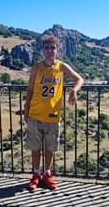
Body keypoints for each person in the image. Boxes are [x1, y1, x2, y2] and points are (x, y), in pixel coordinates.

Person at [24, 35, 84, 191]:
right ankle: (36, 175)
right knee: (35, 148)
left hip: (53, 115)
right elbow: (30, 90)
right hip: (35, 114)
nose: (50, 51)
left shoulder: (61, 67)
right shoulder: (37, 67)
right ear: (43, 50)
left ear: (58, 50)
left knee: (50, 148)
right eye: (47, 47)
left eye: (53, 47)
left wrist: (74, 90)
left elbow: (79, 79)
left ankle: (47, 175)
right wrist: (26, 111)